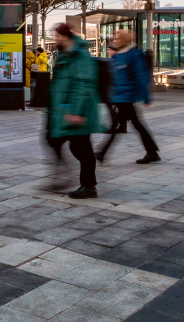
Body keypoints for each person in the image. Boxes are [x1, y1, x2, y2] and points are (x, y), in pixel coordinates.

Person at [47, 23, 106, 199]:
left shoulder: (79, 55)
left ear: (65, 37)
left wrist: (75, 111)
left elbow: (82, 85)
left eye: (57, 36)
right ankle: (69, 179)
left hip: (78, 111)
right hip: (65, 110)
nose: (55, 39)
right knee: (56, 140)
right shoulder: (66, 53)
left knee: (81, 148)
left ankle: (88, 186)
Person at [96, 28, 160, 164]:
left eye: (118, 39)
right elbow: (115, 79)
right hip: (120, 98)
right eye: (115, 38)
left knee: (121, 125)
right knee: (134, 124)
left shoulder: (134, 55)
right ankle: (152, 152)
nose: (115, 41)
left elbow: (141, 76)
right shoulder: (118, 56)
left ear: (125, 40)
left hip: (126, 97)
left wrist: (146, 97)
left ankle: (102, 152)